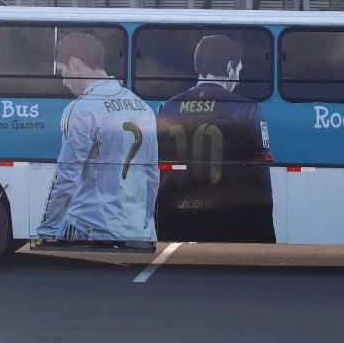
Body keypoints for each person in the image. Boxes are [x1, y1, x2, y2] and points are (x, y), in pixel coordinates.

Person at [37, 32, 159, 243]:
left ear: (75, 63)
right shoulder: (143, 108)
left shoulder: (83, 109)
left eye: (62, 71)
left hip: (90, 227)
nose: (64, 81)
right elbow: (152, 176)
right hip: (137, 230)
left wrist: (47, 229)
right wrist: (144, 222)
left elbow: (66, 176)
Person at [155, 34, 275, 243]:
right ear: (229, 67)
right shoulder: (248, 110)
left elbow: (158, 172)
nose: (238, 78)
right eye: (238, 70)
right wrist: (265, 234)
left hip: (177, 217)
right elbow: (259, 178)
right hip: (229, 218)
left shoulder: (166, 109)